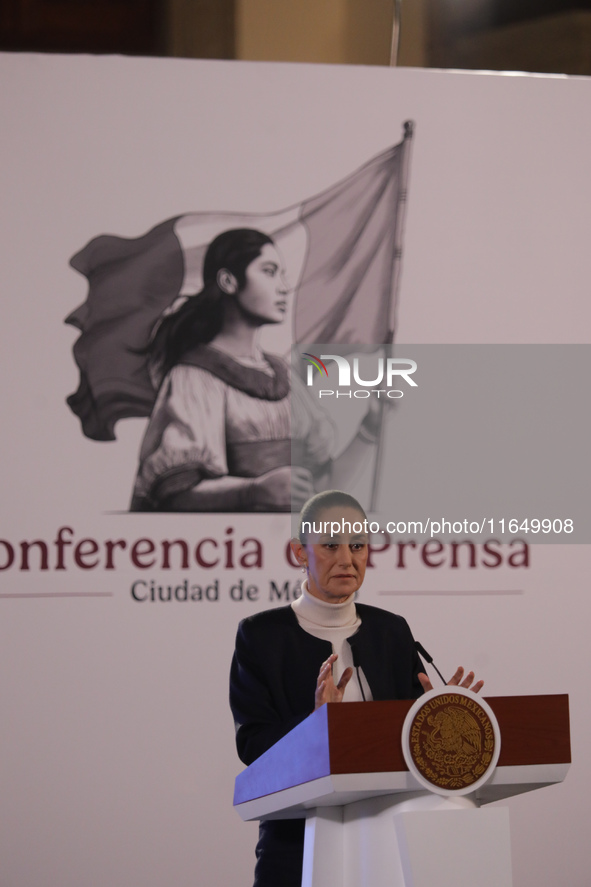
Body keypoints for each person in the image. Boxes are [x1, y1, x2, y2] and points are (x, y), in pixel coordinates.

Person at [229, 489, 483, 887]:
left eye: (358, 545)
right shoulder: (261, 636)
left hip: (392, 837)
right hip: (298, 842)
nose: (347, 559)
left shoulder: (390, 630)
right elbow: (252, 744)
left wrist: (447, 714)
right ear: (299, 552)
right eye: (330, 545)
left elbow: (414, 737)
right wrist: (316, 723)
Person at [130, 228, 329, 512]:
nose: (284, 286)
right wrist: (253, 491)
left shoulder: (285, 376)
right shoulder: (193, 377)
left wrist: (369, 428)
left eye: (282, 274)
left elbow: (324, 477)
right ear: (228, 281)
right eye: (269, 272)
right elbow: (175, 494)